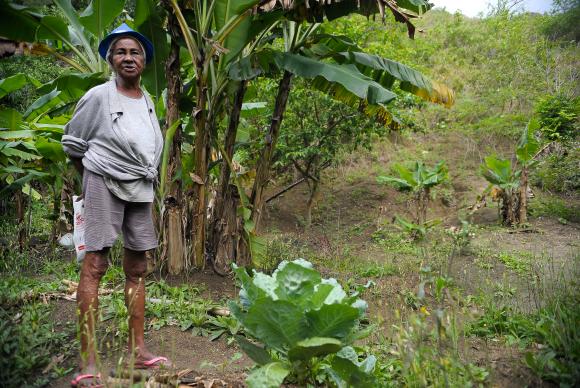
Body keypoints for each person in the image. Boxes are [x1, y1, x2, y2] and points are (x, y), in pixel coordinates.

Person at [62, 23, 170, 387]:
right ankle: (88, 360)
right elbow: (73, 143)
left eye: (135, 52)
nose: (128, 57)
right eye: (121, 52)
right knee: (95, 264)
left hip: (141, 186)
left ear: (144, 61)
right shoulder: (97, 96)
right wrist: (93, 178)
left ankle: (137, 351)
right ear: (110, 59)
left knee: (138, 266)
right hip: (103, 182)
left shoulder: (148, 99)